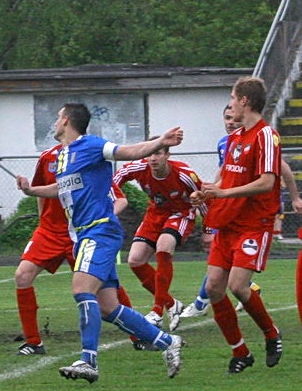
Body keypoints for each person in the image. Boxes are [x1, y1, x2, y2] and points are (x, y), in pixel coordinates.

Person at [16, 103, 184, 383]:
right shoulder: (63, 156)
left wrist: (160, 141)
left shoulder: (90, 145)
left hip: (99, 231)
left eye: (58, 117)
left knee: (82, 289)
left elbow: (127, 152)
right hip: (83, 234)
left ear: (67, 120)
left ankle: (88, 361)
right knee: (108, 307)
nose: (55, 122)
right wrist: (31, 190)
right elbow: (61, 188)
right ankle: (167, 341)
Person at [190, 77, 284, 374]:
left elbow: (267, 182)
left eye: (233, 97)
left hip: (253, 224)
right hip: (227, 223)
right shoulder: (235, 138)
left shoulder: (266, 135)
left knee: (237, 285)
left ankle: (272, 334)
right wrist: (206, 190)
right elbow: (225, 179)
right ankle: (241, 352)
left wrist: (224, 192)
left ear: (245, 101)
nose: (230, 103)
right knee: (215, 288)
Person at [182, 105, 302, 318]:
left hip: (249, 214)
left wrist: (294, 197)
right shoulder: (225, 142)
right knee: (217, 259)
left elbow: (281, 168)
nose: (230, 122)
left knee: (230, 276)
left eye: (232, 117)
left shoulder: (261, 138)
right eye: (226, 118)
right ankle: (210, 302)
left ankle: (204, 302)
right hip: (227, 211)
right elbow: (223, 171)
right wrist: (208, 191)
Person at [13, 146, 134, 356]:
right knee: (22, 275)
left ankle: (138, 336)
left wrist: (102, 220)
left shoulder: (88, 156)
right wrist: (42, 223)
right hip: (49, 231)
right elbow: (42, 191)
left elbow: (120, 198)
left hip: (81, 232)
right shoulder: (47, 157)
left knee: (105, 286)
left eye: (61, 118)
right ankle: (33, 342)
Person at [112, 143, 205, 332]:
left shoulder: (184, 174)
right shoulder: (140, 167)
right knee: (135, 260)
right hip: (154, 214)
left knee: (163, 247)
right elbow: (116, 178)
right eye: (150, 154)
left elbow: (203, 196)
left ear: (167, 155)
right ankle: (171, 304)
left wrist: (210, 229)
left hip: (180, 214)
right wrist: (108, 197)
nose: (153, 158)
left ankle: (156, 311)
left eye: (158, 154)